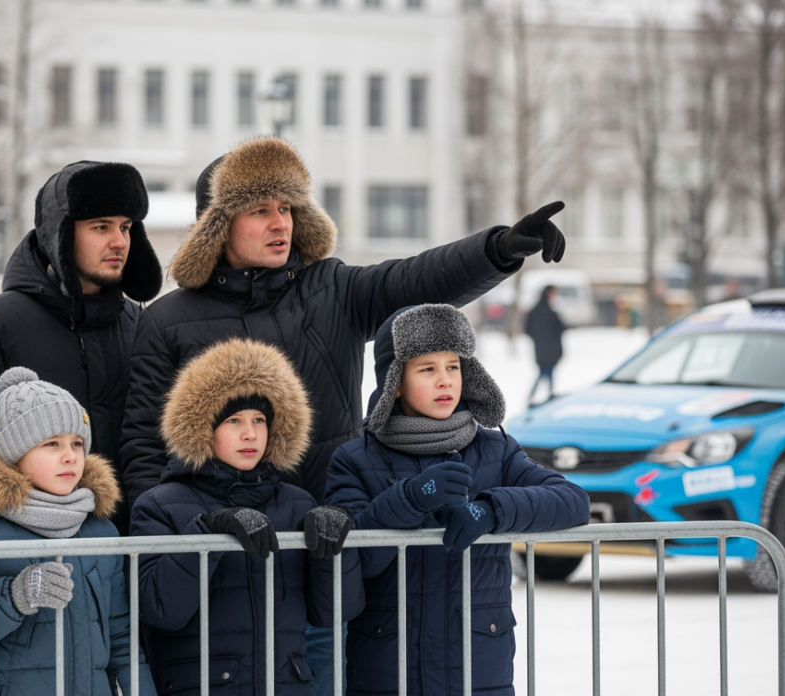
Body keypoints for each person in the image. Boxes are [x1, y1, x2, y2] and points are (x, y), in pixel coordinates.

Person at [118, 136, 565, 693]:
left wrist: (497, 248)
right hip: (219, 580)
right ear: (219, 225)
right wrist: (175, 549)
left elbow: (416, 278)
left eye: (287, 208)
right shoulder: (166, 321)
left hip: (323, 565)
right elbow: (143, 452)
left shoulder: (333, 288)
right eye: (260, 210)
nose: (280, 223)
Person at [323, 304, 590, 696]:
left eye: (453, 366)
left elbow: (572, 501)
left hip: (478, 670)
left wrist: (491, 510)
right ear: (395, 381)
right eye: (427, 369)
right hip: (389, 672)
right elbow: (354, 561)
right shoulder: (355, 460)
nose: (444, 380)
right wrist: (411, 499)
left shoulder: (496, 449)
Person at [130, 338, 365, 696]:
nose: (250, 433)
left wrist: (333, 548)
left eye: (259, 419)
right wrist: (207, 532)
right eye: (233, 420)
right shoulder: (159, 505)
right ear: (203, 427)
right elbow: (161, 610)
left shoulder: (297, 504)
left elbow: (333, 612)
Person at [0, 160, 161, 533]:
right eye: (101, 227)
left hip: (133, 546)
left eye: (126, 227)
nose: (119, 242)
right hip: (31, 555)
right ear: (60, 234)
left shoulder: (142, 325)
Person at [0, 367, 155, 696]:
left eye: (77, 443)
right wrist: (13, 597)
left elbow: (121, 640)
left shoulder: (101, 532)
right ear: (15, 455)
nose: (69, 456)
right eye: (51, 444)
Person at [524, 285, 566, 405]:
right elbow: (560, 328)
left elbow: (528, 329)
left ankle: (543, 397)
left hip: (543, 350)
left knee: (545, 373)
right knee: (545, 373)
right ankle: (546, 398)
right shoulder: (548, 312)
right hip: (549, 350)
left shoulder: (537, 311)